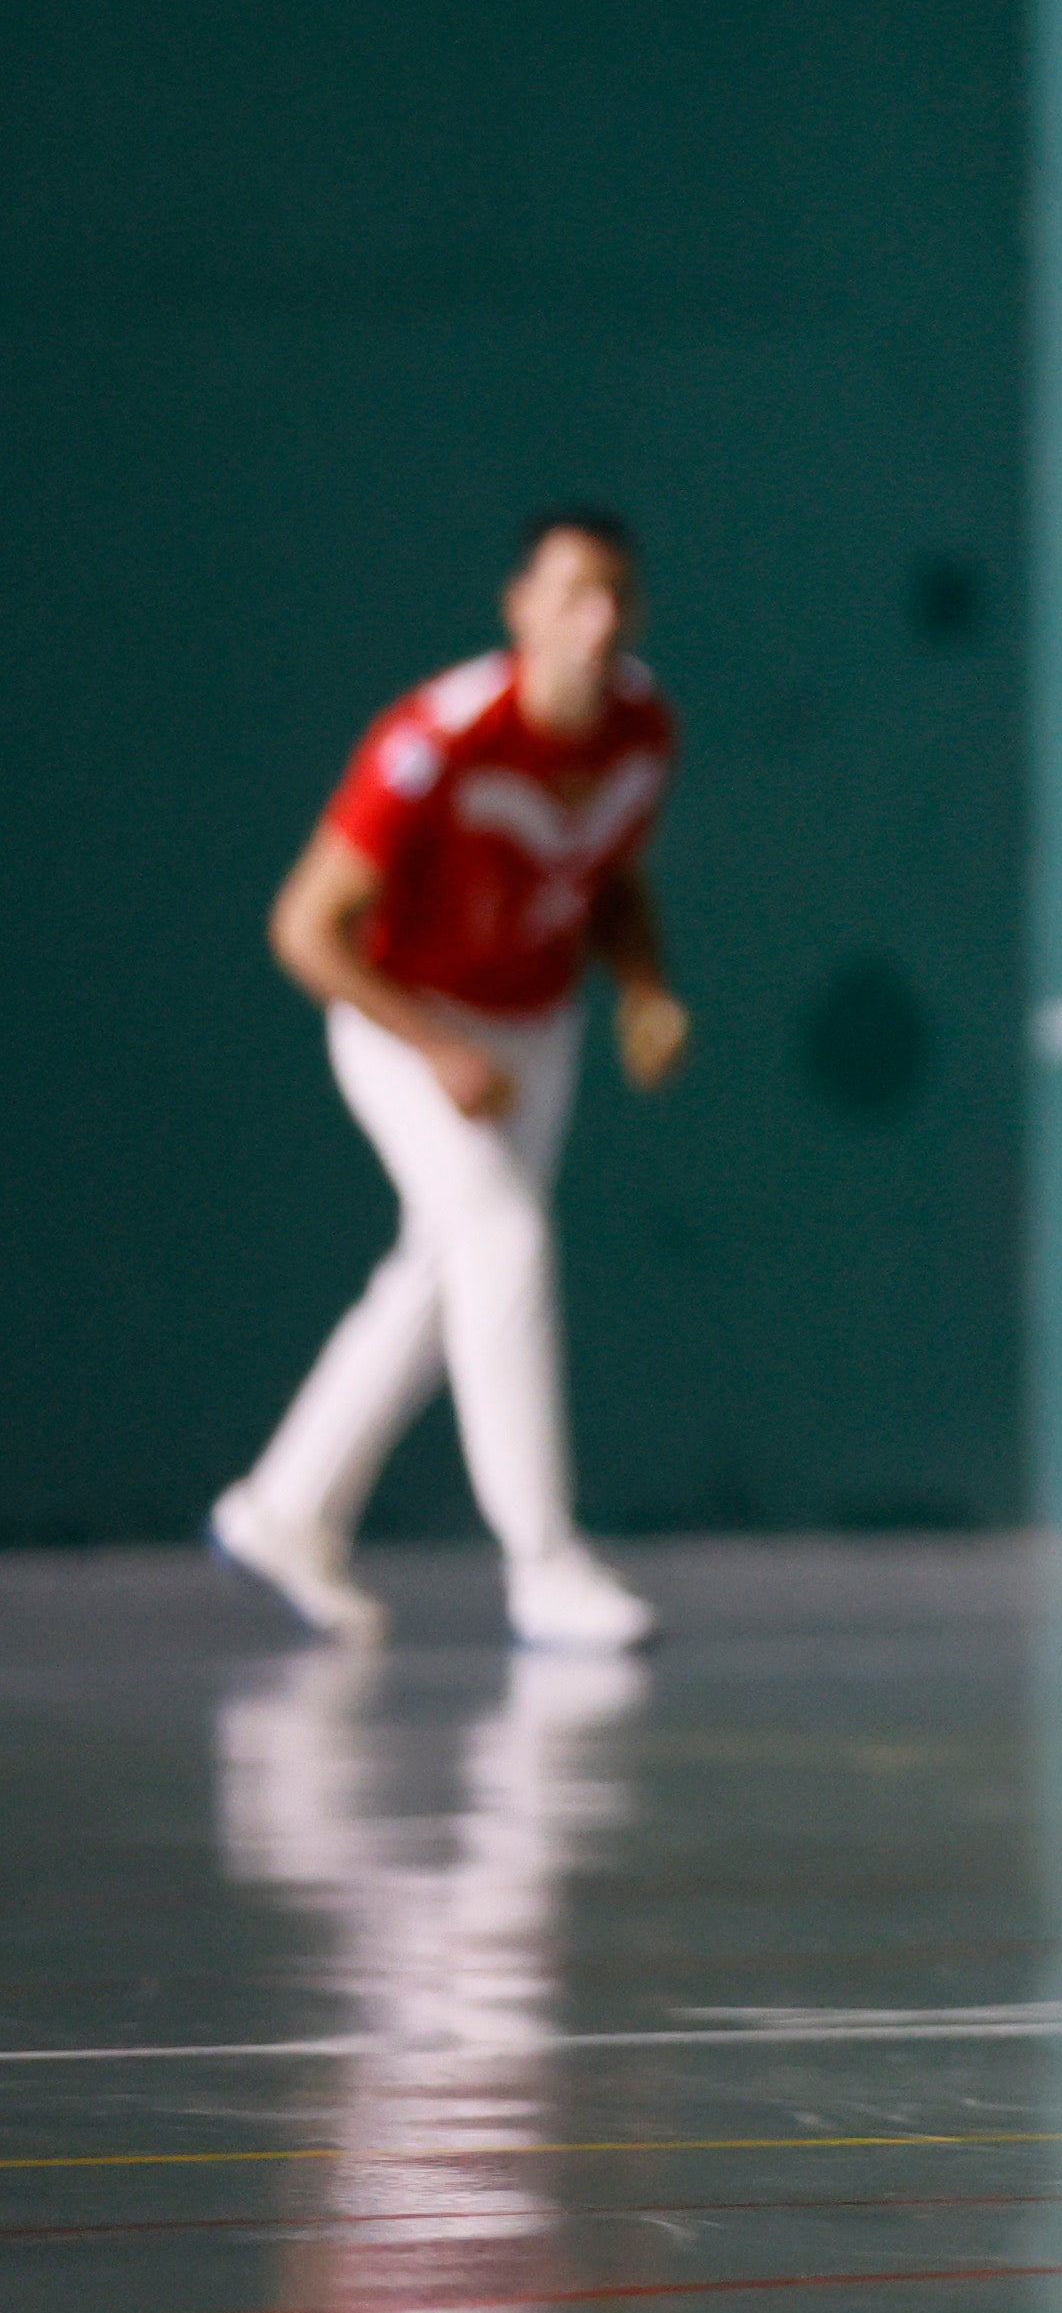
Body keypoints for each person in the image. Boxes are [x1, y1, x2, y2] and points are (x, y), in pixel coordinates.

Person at [212, 510, 690, 1653]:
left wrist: (644, 988)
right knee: (506, 1247)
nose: (599, 619)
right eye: (573, 593)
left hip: (538, 1032)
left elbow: (607, 879)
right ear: (518, 606)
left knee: (449, 1272)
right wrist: (436, 1049)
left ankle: (285, 1508)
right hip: (404, 1030)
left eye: (618, 595)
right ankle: (546, 1567)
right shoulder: (437, 737)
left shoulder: (643, 731)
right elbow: (304, 928)